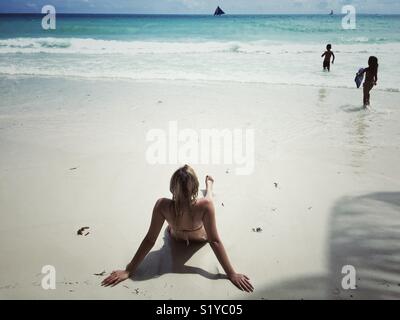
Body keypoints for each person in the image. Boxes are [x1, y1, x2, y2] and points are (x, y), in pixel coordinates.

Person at [101, 165, 254, 293]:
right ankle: (208, 187)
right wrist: (128, 270)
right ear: (194, 188)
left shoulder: (165, 205)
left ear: (172, 188)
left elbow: (214, 241)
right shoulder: (164, 206)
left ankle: (209, 186)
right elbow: (149, 240)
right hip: (185, 235)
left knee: (208, 199)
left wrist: (231, 274)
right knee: (207, 202)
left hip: (191, 236)